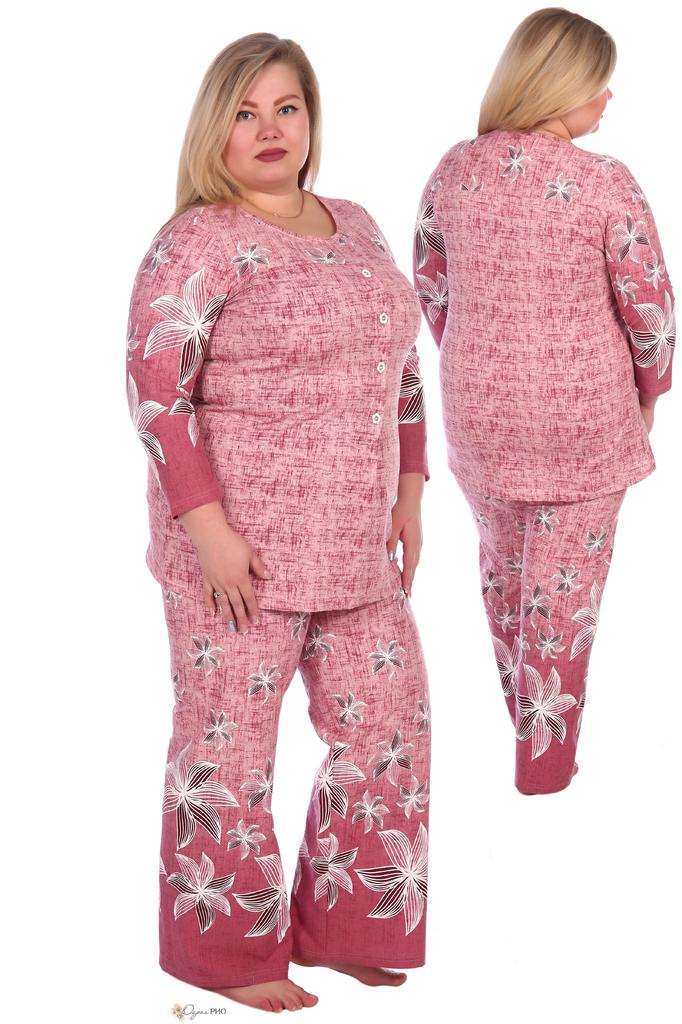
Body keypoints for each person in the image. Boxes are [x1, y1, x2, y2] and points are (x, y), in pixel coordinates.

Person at [126, 33, 431, 1013]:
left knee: (388, 726)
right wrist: (208, 529)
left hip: (356, 545)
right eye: (246, 112)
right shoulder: (198, 240)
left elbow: (402, 366)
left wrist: (412, 488)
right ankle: (224, 956)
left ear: (310, 120)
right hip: (238, 554)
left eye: (286, 108)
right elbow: (157, 393)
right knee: (230, 747)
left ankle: (349, 925)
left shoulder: (360, 225)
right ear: (214, 129)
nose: (269, 128)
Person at [413, 8, 674, 795]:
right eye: (599, 82)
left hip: (481, 419)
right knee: (563, 602)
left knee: (507, 582)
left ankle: (530, 739)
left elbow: (431, 286)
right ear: (559, 85)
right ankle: (546, 769)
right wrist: (649, 389)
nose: (608, 96)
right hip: (581, 423)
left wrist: (478, 358)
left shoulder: (455, 170)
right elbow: (652, 310)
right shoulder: (604, 181)